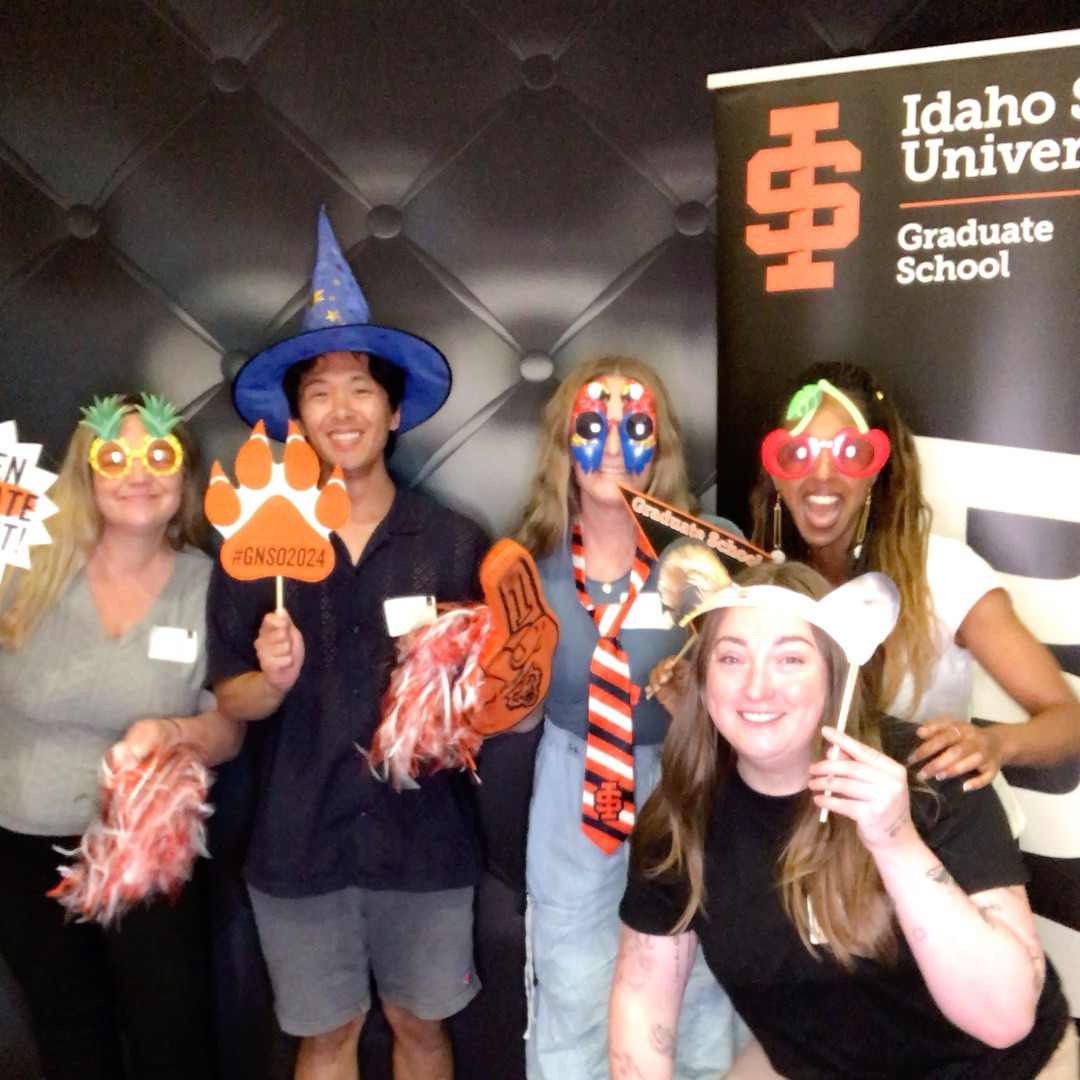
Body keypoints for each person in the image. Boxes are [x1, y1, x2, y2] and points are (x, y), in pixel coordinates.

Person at [208, 208, 489, 1080]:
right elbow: (230, 697)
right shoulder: (257, 546)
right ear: (297, 414)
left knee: (420, 1029)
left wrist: (460, 699)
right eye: (319, 390)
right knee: (324, 1038)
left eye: (361, 388)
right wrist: (273, 678)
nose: (341, 408)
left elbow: (484, 706)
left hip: (426, 844)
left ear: (393, 409)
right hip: (299, 843)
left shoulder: (452, 544)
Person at [611, 559, 1075, 1080]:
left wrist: (895, 841)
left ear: (835, 674)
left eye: (790, 659)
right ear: (702, 678)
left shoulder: (933, 772)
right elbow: (644, 1008)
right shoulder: (681, 817)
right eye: (732, 658)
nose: (757, 688)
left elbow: (1006, 1018)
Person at [0, 393, 243, 1080]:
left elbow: (228, 728)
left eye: (159, 455)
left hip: (149, 852)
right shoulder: (22, 564)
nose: (139, 473)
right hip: (22, 843)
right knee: (70, 1036)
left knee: (175, 1038)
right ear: (87, 471)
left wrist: (172, 730)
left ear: (185, 477)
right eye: (115, 456)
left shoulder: (210, 585)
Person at [515, 355, 743, 1080]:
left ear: (661, 444)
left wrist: (698, 700)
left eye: (635, 426)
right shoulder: (526, 558)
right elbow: (508, 708)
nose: (613, 444)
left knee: (699, 986)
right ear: (563, 441)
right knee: (573, 978)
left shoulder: (707, 549)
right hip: (570, 782)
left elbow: (760, 679)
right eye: (592, 425)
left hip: (683, 780)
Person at [750, 362, 1080, 793]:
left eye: (850, 453)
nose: (823, 474)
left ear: (876, 471)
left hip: (936, 832)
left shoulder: (945, 575)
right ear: (776, 474)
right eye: (797, 454)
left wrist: (996, 742)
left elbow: (1068, 722)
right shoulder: (766, 581)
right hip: (819, 842)